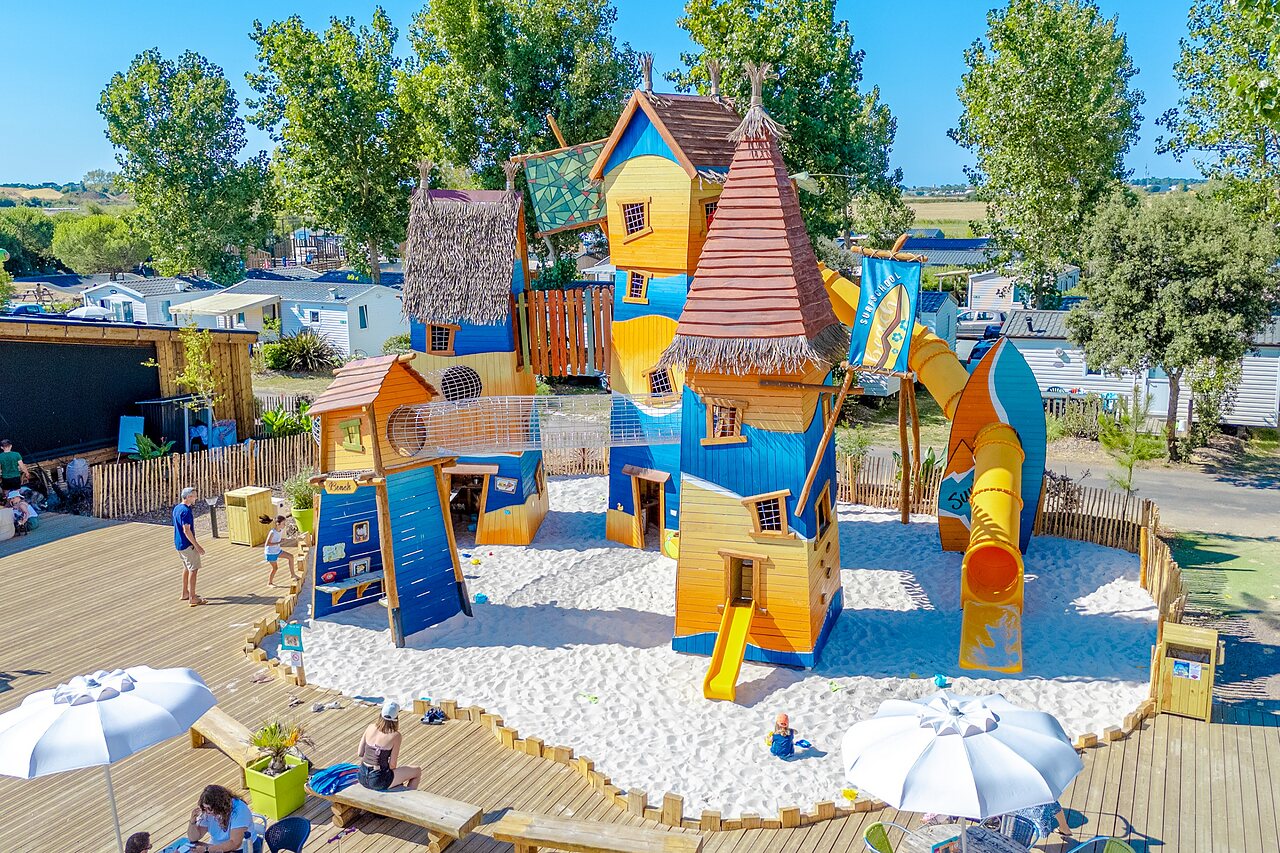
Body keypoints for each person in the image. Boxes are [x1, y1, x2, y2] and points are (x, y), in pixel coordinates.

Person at [357, 701, 422, 791]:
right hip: (378, 780)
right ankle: (407, 799)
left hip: (362, 776)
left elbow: (360, 753)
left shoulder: (370, 727)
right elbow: (392, 765)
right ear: (396, 718)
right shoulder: (395, 735)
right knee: (417, 771)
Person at [186, 784, 260, 853]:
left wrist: (206, 850)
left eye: (209, 808)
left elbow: (235, 843)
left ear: (219, 805)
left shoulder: (240, 810)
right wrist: (192, 822)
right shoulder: (207, 812)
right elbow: (193, 838)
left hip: (243, 849)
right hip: (217, 847)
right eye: (204, 808)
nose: (207, 812)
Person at [173, 487, 206, 606]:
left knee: (186, 567)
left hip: (179, 544)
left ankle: (185, 593)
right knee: (193, 569)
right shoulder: (186, 511)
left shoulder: (177, 508)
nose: (196, 498)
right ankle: (192, 597)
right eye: (194, 496)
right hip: (187, 545)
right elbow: (186, 530)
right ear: (188, 497)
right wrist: (197, 546)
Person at [259, 515, 298, 587]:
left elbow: (277, 539)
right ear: (278, 524)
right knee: (275, 568)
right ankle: (269, 583)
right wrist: (278, 543)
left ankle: (293, 575)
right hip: (270, 553)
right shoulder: (272, 532)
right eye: (283, 523)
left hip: (277, 550)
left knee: (291, 557)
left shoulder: (281, 530)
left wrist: (281, 540)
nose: (284, 525)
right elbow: (267, 543)